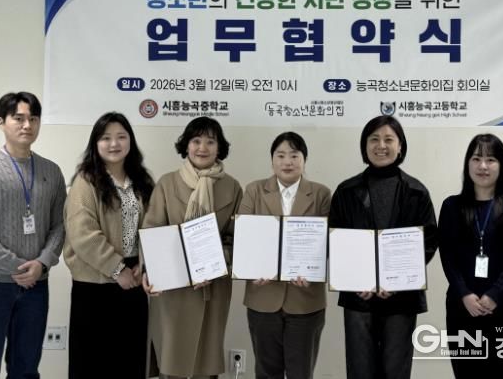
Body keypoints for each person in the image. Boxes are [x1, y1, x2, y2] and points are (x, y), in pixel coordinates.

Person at [0, 91, 66, 379]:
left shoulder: (51, 171)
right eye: (18, 118)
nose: (27, 125)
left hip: (36, 286)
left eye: (33, 118)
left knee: (26, 368)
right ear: (1, 122)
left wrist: (42, 263)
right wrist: (16, 267)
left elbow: (60, 225)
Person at [328, 115, 438, 379]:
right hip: (359, 297)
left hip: (401, 298)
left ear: (400, 146)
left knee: (395, 371)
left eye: (389, 139)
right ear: (364, 145)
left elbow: (428, 242)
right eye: (374, 139)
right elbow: (334, 241)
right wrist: (357, 279)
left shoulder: (416, 191)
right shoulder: (346, 191)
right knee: (360, 370)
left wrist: (396, 280)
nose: (381, 145)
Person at [142, 116, 242, 379]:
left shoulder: (232, 187)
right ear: (186, 145)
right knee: (171, 360)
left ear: (219, 147)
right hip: (172, 287)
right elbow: (152, 230)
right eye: (196, 140)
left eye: (210, 141)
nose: (202, 148)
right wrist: (150, 272)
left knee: (205, 362)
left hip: (212, 287)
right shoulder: (167, 183)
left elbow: (237, 239)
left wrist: (213, 265)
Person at [63, 112, 154, 379]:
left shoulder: (142, 181)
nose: (114, 144)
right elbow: (83, 234)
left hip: (134, 279)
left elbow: (153, 225)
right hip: (95, 283)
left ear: (130, 141)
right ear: (95, 143)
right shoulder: (86, 181)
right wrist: (117, 270)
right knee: (93, 362)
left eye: (121, 137)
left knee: (130, 359)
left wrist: (143, 265)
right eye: (106, 138)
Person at [438, 134, 503, 377]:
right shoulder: (451, 206)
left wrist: (494, 295)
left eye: (491, 159)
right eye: (476, 158)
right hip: (463, 308)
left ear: (502, 165)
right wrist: (465, 293)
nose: (483, 166)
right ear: (467, 163)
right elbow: (447, 256)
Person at [238, 131, 331, 379]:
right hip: (263, 297)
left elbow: (327, 244)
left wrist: (314, 272)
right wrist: (251, 269)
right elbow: (243, 237)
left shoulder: (321, 194)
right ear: (272, 160)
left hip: (306, 300)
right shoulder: (254, 190)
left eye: (294, 155)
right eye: (280, 155)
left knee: (301, 372)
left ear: (304, 159)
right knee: (267, 372)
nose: (287, 161)